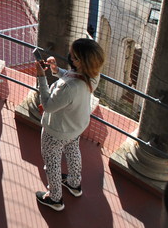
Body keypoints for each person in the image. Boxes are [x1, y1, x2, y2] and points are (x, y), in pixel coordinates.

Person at [34, 38, 105, 211]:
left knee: (52, 162)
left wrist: (41, 77)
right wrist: (56, 70)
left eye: (73, 56)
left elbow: (48, 106)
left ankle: (55, 198)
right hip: (76, 127)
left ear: (79, 61)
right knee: (73, 151)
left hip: (56, 131)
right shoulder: (93, 75)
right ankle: (74, 183)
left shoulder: (67, 87)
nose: (70, 57)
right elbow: (74, 75)